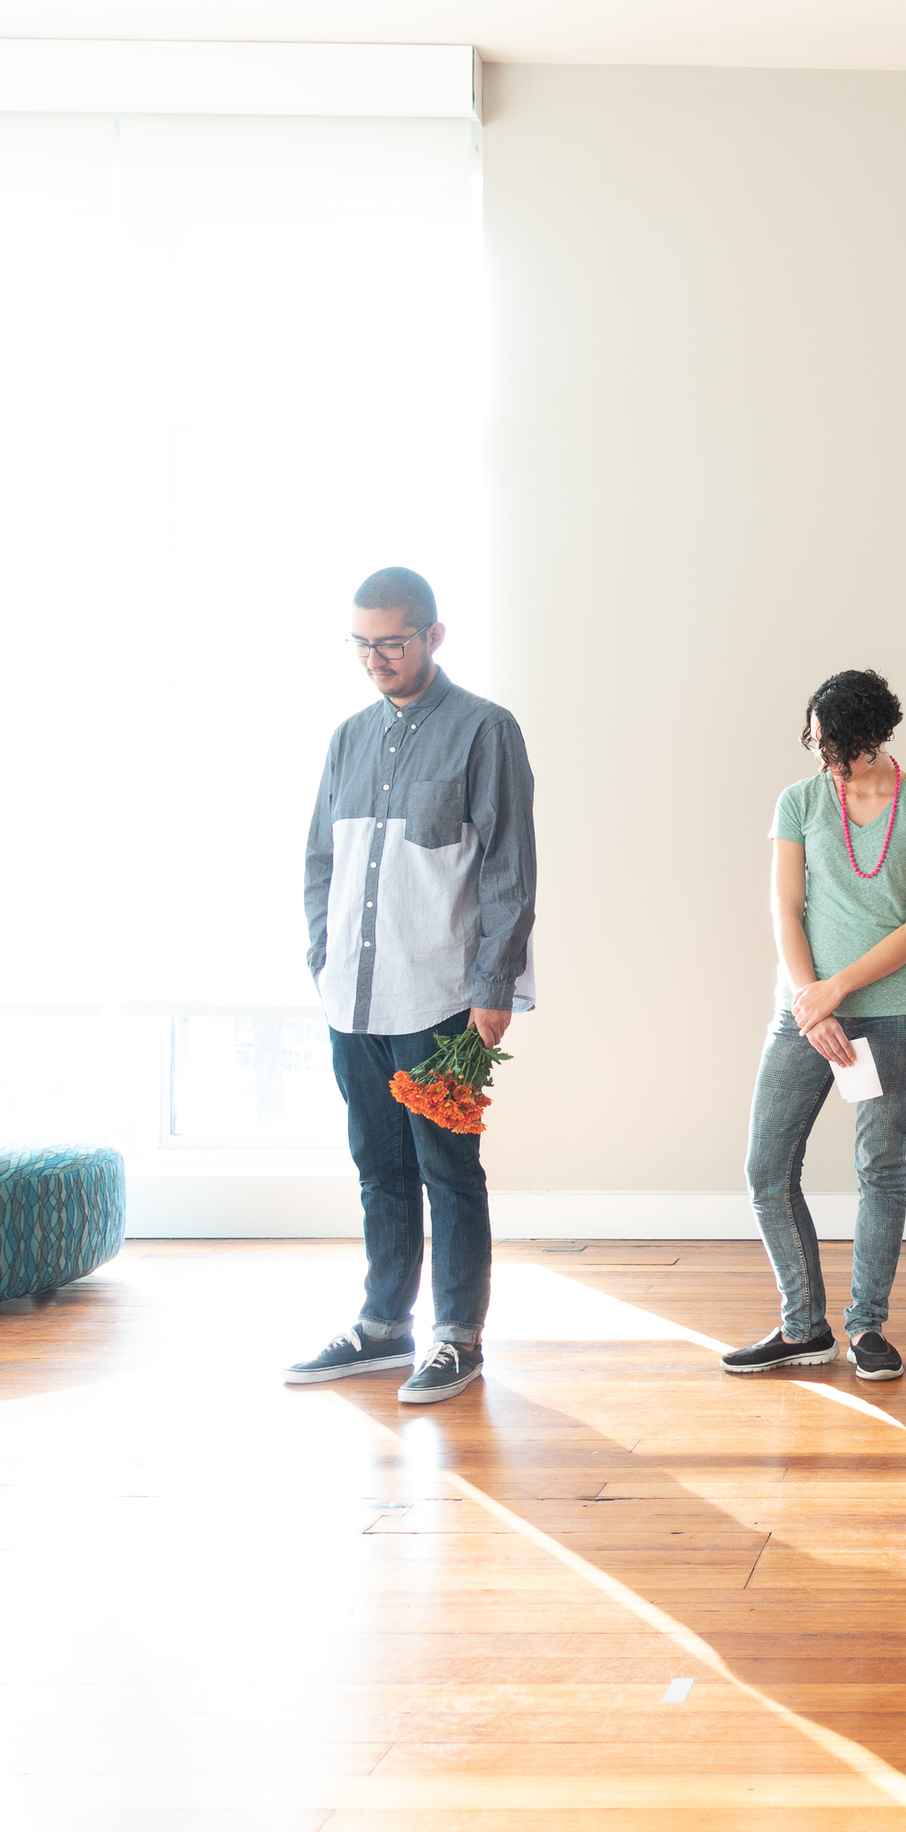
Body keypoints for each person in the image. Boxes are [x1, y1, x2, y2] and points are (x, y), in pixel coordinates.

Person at [285, 567, 536, 1405]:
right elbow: (322, 860)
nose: (374, 659)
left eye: (390, 642)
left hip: (442, 999)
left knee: (448, 1165)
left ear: (432, 635)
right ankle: (382, 1324)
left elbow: (508, 868)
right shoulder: (348, 738)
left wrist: (493, 985)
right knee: (376, 1164)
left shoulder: (484, 731)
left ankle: (456, 1335)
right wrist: (324, 958)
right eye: (361, 644)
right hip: (353, 998)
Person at [727, 669, 906, 1385]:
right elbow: (784, 910)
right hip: (804, 1010)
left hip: (890, 1016)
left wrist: (839, 990)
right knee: (767, 1169)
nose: (825, 757)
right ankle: (803, 1327)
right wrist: (812, 1000)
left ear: (875, 737)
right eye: (817, 741)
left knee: (878, 1169)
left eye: (838, 746)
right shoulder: (799, 801)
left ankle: (867, 1328)